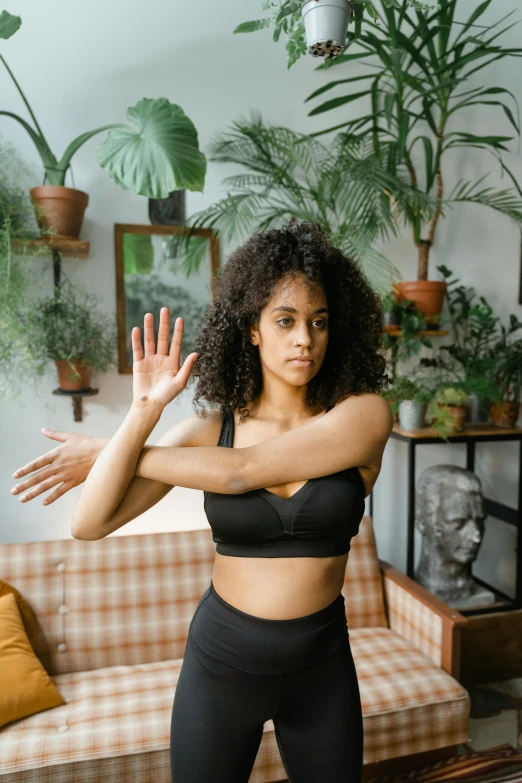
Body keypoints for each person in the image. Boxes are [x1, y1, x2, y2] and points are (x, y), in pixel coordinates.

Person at [10, 218, 394, 782]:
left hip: (322, 668)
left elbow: (244, 473)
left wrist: (107, 451)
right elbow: (89, 524)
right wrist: (141, 415)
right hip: (221, 666)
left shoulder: (362, 416)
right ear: (254, 330)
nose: (304, 339)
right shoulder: (206, 432)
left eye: (319, 322)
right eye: (285, 321)